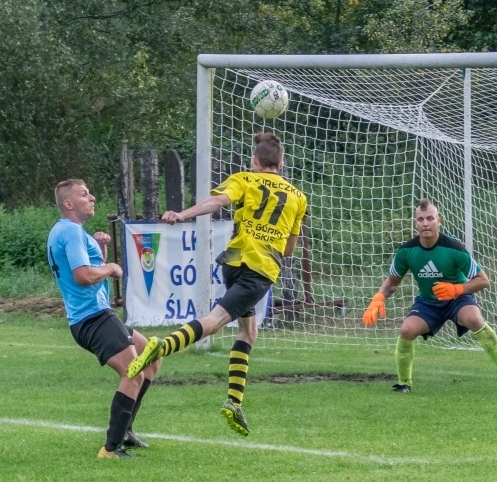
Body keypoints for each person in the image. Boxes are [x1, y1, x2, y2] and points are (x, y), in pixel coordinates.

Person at [127, 132, 308, 437]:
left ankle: (234, 401)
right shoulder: (298, 197)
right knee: (214, 321)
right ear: (282, 162)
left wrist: (182, 214)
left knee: (249, 330)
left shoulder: (245, 179)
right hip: (260, 270)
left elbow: (217, 202)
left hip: (234, 262)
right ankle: (161, 347)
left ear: (255, 160)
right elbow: (289, 251)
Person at [47, 179, 162, 459]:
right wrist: (110, 266)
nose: (93, 197)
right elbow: (83, 276)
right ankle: (111, 448)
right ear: (68, 203)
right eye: (85, 194)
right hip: (91, 318)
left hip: (95, 314)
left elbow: (87, 269)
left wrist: (101, 251)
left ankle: (125, 431)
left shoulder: (70, 232)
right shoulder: (71, 232)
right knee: (133, 371)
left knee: (152, 356)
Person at [362, 198, 497, 394]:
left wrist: (456, 289)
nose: (425, 223)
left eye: (430, 218)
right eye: (420, 219)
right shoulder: (406, 251)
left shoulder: (453, 248)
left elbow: (483, 281)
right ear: (416, 223)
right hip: (428, 303)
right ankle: (404, 384)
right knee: (406, 330)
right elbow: (392, 282)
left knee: (474, 319)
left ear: (439, 221)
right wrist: (377, 299)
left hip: (458, 299)